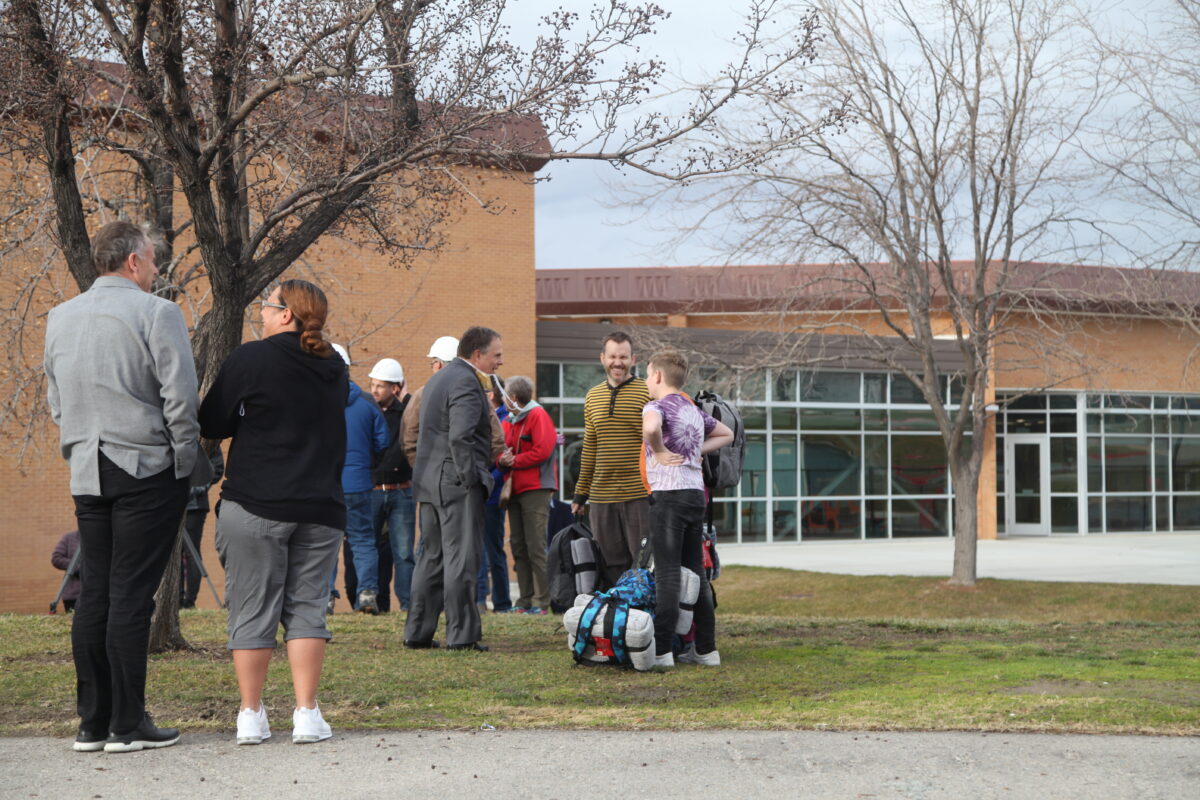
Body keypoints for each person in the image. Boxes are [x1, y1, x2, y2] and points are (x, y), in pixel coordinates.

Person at [44, 220, 201, 753]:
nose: (157, 269)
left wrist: (80, 441)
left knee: (95, 594)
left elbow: (56, 400)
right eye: (154, 259)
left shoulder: (59, 317)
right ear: (133, 262)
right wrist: (184, 460)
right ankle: (127, 724)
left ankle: (93, 722)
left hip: (87, 468)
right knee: (131, 596)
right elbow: (180, 397)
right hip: (145, 466)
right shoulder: (157, 312)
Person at [199, 279, 347, 746]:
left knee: (251, 609)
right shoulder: (336, 366)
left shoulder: (251, 358)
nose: (260, 312)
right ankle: (306, 714)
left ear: (285, 314)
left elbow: (211, 421)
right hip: (321, 506)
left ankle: (251, 715)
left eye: (266, 305)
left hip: (255, 503)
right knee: (307, 611)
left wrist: (244, 417)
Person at [404, 326, 503, 652]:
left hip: (430, 482)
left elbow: (417, 431)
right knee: (462, 558)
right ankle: (462, 636)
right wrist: (470, 477)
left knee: (432, 558)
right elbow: (460, 436)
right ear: (477, 355)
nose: (499, 362)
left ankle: (417, 632)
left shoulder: (439, 378)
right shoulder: (465, 381)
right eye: (496, 355)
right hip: (455, 483)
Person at [641, 349, 733, 669]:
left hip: (668, 496)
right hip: (696, 496)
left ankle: (663, 651)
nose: (646, 380)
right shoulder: (691, 409)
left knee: (667, 574)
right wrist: (694, 451)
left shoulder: (655, 405)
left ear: (657, 376)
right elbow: (727, 433)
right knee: (696, 573)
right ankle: (706, 649)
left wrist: (661, 450)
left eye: (647, 374)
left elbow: (651, 429)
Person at [571, 332, 652, 585]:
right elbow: (590, 447)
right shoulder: (592, 396)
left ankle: (644, 618)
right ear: (602, 358)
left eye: (624, 357)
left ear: (633, 359)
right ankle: (618, 619)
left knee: (641, 561)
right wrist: (580, 494)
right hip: (601, 495)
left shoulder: (646, 391)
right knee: (609, 563)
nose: (618, 363)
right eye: (613, 357)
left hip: (639, 494)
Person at [328, 344, 390, 615]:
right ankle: (367, 593)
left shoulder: (316, 399)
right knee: (363, 539)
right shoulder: (366, 401)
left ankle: (325, 596)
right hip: (358, 483)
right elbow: (383, 441)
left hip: (326, 483)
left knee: (325, 540)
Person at [499, 375, 558, 614]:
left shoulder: (538, 416)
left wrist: (515, 460)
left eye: (505, 396)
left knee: (536, 546)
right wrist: (501, 460)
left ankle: (541, 602)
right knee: (519, 546)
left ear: (513, 398)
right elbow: (500, 448)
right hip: (514, 490)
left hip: (536, 489)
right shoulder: (510, 420)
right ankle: (524, 601)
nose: (503, 400)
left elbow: (543, 450)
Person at [368, 357, 417, 612]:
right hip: (374, 492)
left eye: (381, 385)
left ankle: (408, 605)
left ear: (395, 388)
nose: (374, 390)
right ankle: (375, 603)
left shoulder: (407, 412)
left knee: (404, 554)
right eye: (373, 384)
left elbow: (419, 413)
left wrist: (406, 396)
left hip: (401, 492)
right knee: (372, 550)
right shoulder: (368, 410)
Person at [477, 381, 512, 614]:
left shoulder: (502, 422)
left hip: (490, 495)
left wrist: (488, 480)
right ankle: (482, 599)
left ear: (490, 395)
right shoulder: (494, 418)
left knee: (491, 549)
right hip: (483, 491)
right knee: (484, 549)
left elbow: (504, 459)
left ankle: (499, 602)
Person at [181, 448, 224, 608]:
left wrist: (197, 488)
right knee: (174, 554)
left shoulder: (207, 441)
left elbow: (217, 469)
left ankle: (189, 600)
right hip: (172, 503)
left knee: (192, 552)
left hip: (195, 505)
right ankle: (177, 600)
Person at [50, 530, 82, 613]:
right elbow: (56, 558)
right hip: (74, 595)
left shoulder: (102, 537)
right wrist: (79, 568)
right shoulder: (70, 538)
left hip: (99, 595)